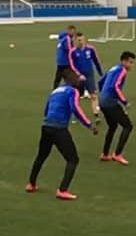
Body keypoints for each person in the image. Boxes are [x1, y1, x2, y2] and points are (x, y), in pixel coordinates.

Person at [26, 69, 99, 200]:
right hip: (58, 129)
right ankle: (62, 190)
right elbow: (75, 108)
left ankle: (31, 184)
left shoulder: (54, 91)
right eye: (76, 77)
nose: (78, 79)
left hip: (46, 126)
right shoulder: (73, 91)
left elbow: (46, 110)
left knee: (41, 156)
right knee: (73, 159)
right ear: (70, 78)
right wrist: (89, 125)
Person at [98, 51, 136, 165]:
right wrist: (124, 102)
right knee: (128, 126)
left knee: (112, 126)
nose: (132, 65)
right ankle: (117, 154)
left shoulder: (113, 68)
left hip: (102, 101)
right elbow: (115, 87)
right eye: (130, 62)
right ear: (124, 61)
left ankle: (105, 154)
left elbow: (100, 82)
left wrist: (103, 94)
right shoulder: (122, 70)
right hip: (110, 102)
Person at [71, 32, 103, 120]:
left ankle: (96, 115)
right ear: (75, 41)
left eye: (81, 40)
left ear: (84, 39)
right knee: (76, 96)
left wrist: (101, 73)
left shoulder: (90, 49)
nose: (80, 42)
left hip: (89, 75)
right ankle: (75, 114)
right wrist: (78, 74)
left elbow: (96, 61)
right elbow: (71, 66)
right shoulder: (73, 52)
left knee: (94, 95)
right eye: (78, 40)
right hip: (78, 77)